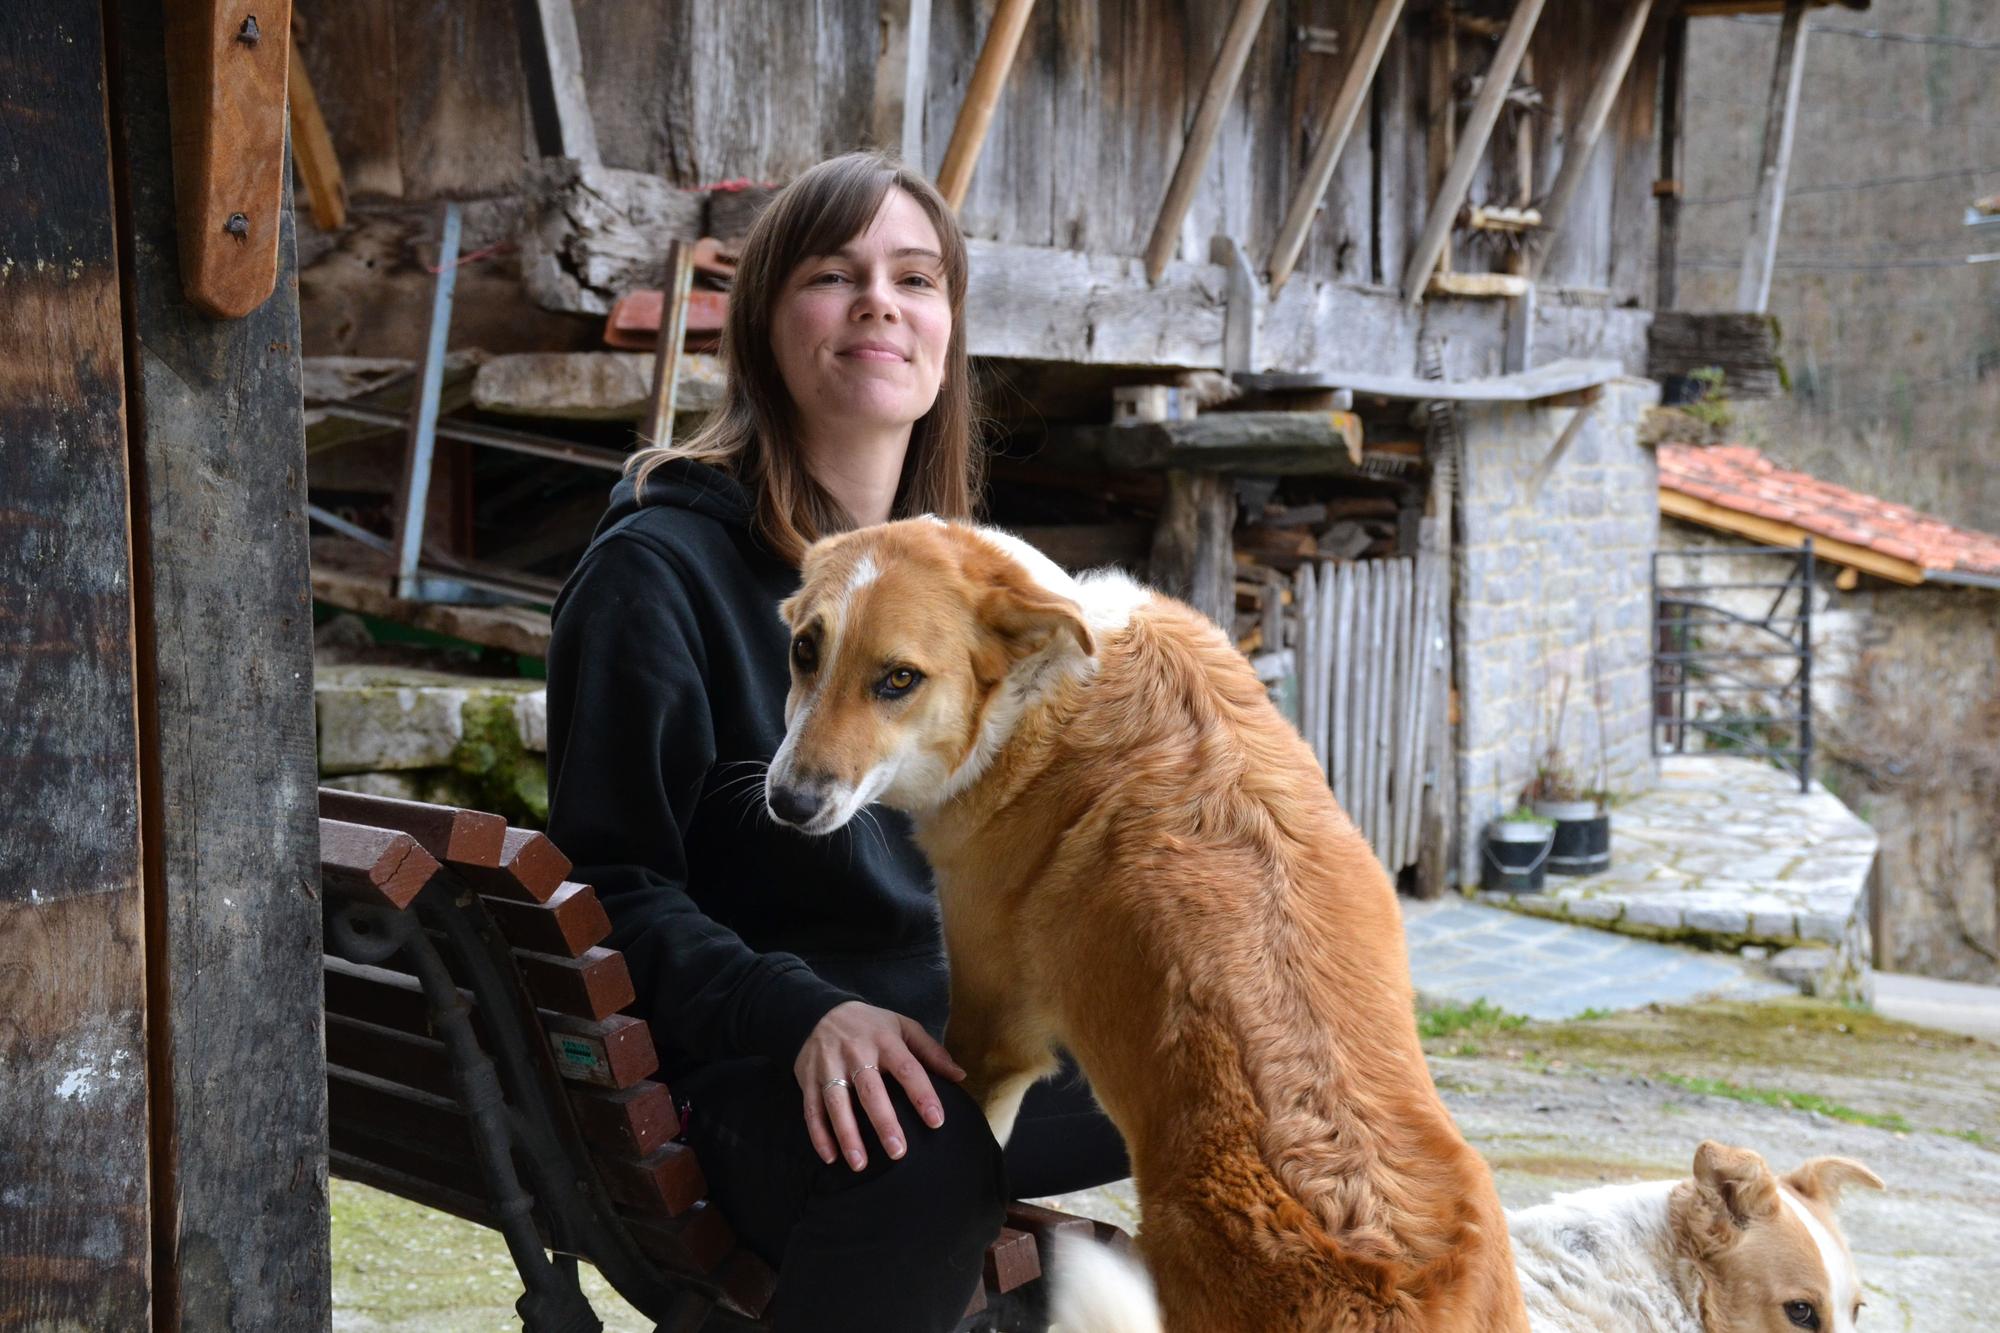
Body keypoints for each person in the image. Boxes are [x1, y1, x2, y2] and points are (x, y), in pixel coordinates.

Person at [544, 152, 1128, 1332]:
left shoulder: (967, 590)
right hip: (732, 1066)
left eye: (914, 277)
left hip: (931, 1035)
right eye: (832, 273)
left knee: (1262, 1069)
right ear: (764, 329)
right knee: (924, 1149)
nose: (879, 301)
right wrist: (802, 1012)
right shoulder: (658, 568)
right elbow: (610, 887)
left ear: (946, 334)